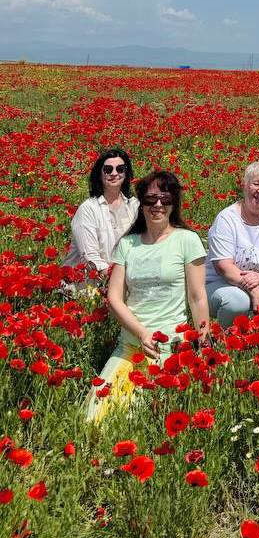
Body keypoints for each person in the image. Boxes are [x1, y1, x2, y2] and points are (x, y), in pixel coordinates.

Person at [85, 171, 208, 423]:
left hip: (170, 346)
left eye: (165, 198)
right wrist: (142, 333)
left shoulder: (187, 240)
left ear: (174, 203)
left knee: (135, 418)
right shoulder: (128, 244)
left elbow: (197, 298)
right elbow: (114, 298)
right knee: (96, 415)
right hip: (131, 345)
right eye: (151, 199)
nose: (158, 205)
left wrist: (204, 345)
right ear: (141, 204)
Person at [205, 162, 259, 329]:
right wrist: (255, 290)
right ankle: (226, 342)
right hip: (221, 284)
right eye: (256, 184)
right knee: (238, 302)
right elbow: (224, 267)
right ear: (244, 185)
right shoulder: (226, 219)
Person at [62, 148, 139, 283]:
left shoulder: (134, 206)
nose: (114, 173)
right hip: (86, 287)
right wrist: (120, 281)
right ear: (99, 174)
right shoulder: (88, 209)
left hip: (122, 283)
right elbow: (90, 258)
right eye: (108, 169)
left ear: (126, 173)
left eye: (120, 169)